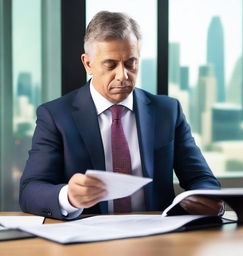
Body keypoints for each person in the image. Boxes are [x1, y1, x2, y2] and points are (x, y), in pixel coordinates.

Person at [19, 11, 223, 220]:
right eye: (110, 65)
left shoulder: (167, 111)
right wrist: (69, 197)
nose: (123, 75)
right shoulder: (55, 116)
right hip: (88, 240)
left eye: (130, 63)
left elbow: (201, 178)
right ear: (88, 64)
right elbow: (30, 190)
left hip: (157, 237)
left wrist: (207, 198)